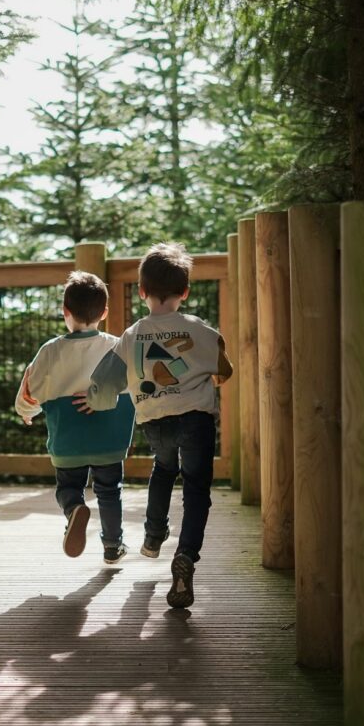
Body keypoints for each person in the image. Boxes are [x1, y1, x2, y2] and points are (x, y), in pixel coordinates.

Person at [76, 243, 233, 609]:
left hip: (155, 420)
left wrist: (97, 402)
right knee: (196, 489)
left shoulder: (132, 334)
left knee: (163, 470)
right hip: (196, 418)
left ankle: (153, 536)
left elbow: (106, 382)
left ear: (142, 292)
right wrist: (208, 378)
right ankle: (187, 556)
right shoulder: (198, 329)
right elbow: (223, 369)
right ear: (185, 292)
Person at [14, 271, 135, 564]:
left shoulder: (50, 351)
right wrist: (100, 398)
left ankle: (74, 509)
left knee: (68, 487)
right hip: (109, 439)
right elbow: (135, 385)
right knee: (109, 491)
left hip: (68, 440)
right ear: (104, 313)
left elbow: (32, 389)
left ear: (65, 311)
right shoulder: (117, 346)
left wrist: (26, 412)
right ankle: (112, 545)